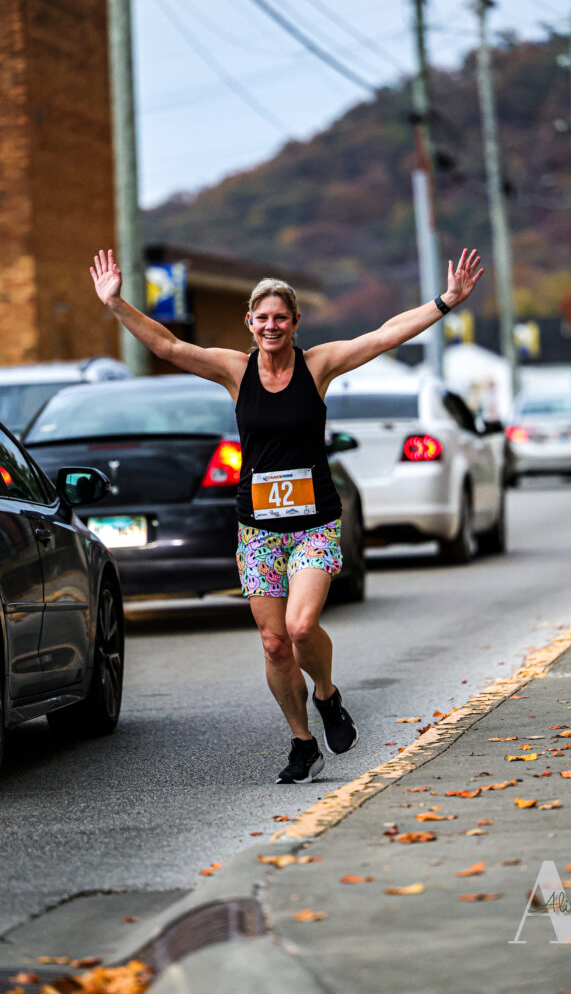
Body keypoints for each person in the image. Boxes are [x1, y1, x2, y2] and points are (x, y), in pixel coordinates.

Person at [90, 248, 483, 783]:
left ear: (295, 322)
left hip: (314, 522)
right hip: (258, 529)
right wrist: (115, 304)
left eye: (281, 317)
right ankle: (303, 744)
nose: (271, 325)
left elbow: (384, 335)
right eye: (262, 317)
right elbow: (168, 344)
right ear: (249, 323)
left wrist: (445, 302)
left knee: (300, 628)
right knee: (274, 643)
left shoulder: (317, 365)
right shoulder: (235, 370)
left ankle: (327, 694)